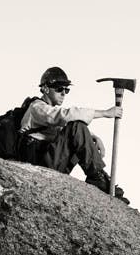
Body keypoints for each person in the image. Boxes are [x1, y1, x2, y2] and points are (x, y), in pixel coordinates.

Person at [17, 66, 128, 202]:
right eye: (59, 89)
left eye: (66, 89)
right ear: (45, 89)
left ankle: (99, 176)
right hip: (37, 165)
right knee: (76, 125)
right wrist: (105, 113)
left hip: (48, 162)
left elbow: (61, 130)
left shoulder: (48, 111)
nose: (63, 93)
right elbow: (64, 117)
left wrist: (94, 137)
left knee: (78, 129)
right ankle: (97, 177)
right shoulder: (37, 107)